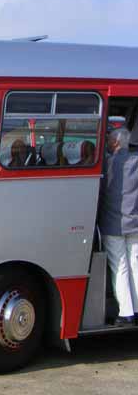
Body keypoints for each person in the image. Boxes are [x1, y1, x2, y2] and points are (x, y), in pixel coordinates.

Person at [99, 128, 138, 326]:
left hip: (113, 225)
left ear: (114, 143)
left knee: (120, 267)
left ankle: (126, 313)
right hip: (136, 224)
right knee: (135, 266)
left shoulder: (107, 163)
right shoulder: (136, 161)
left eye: (108, 140)